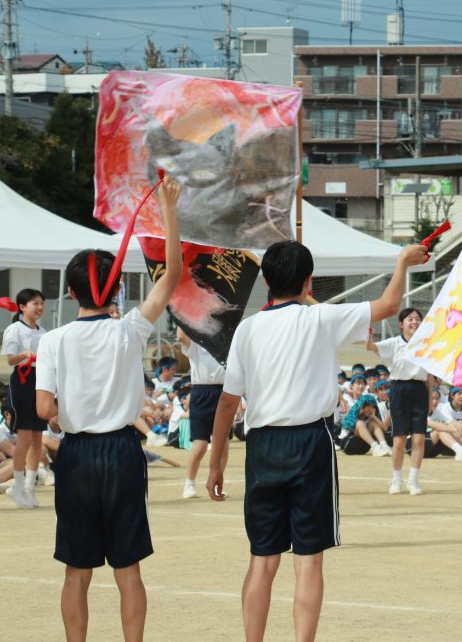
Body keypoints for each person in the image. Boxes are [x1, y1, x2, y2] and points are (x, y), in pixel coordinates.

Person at [206, 239, 427, 642]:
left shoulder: (248, 329)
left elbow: (227, 403)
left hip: (263, 445)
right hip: (310, 442)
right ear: (309, 281)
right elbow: (390, 304)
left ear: (266, 281)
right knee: (308, 559)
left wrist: (216, 461)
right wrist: (401, 262)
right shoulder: (322, 317)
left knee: (262, 558)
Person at [35, 175, 182, 642]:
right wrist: (169, 210)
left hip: (77, 454)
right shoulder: (129, 330)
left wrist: (65, 412)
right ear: (116, 290)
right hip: (121, 452)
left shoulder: (53, 340)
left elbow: (43, 407)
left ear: (71, 292)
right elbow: (171, 276)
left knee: (76, 570)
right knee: (128, 568)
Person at [366, 307, 433, 495]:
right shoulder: (394, 343)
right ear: (401, 324)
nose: (415, 322)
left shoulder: (426, 344)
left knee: (419, 438)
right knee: (399, 439)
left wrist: (429, 399)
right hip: (399, 390)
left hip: (419, 390)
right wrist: (369, 337)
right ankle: (396, 480)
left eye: (417, 319)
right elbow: (371, 348)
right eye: (410, 319)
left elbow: (429, 376)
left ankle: (413, 481)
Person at [1, 288, 47, 508]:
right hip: (22, 380)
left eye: (41, 303)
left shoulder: (44, 332)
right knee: (25, 438)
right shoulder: (14, 329)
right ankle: (17, 486)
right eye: (34, 303)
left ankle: (29, 487)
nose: (39, 307)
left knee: (38, 439)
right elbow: (10, 360)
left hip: (41, 381)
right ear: (22, 307)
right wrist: (24, 355)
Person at [176, 328, 228, 499]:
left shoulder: (226, 342)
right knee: (200, 445)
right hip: (201, 392)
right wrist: (182, 314)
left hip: (224, 392)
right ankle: (189, 483)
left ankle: (218, 482)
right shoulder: (197, 343)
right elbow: (181, 336)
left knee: (223, 446)